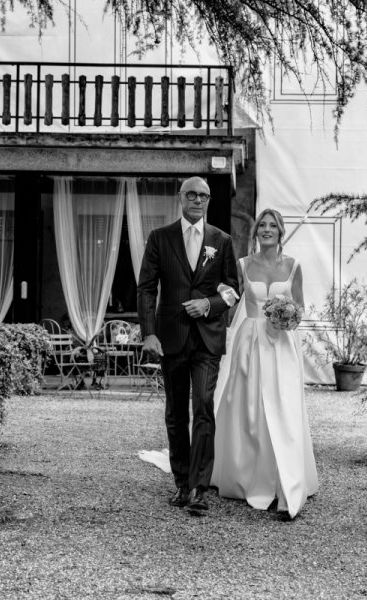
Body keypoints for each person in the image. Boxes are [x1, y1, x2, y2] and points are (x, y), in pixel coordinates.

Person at [137, 176, 239, 515]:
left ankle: (199, 488)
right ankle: (181, 483)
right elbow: (146, 288)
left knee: (204, 407)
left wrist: (209, 304)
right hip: (171, 337)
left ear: (209, 201)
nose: (197, 200)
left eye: (203, 196)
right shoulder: (160, 238)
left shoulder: (221, 241)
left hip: (208, 339)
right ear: (181, 198)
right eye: (191, 194)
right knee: (176, 413)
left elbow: (232, 289)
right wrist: (148, 332)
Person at [210, 208, 318, 519]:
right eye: (262, 226)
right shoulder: (243, 264)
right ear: (256, 232)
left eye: (273, 226)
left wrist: (290, 315)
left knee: (283, 408)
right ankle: (250, 477)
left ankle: (285, 481)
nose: (267, 230)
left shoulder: (293, 266)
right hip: (251, 341)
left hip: (282, 345)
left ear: (281, 232)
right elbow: (229, 294)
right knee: (251, 409)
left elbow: (300, 306)